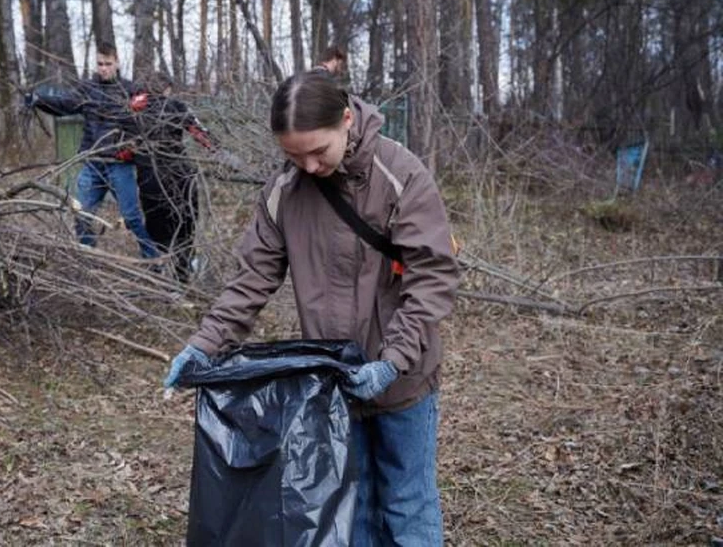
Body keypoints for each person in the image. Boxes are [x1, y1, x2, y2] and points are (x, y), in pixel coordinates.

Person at [164, 71, 460, 545]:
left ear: (347, 120)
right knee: (351, 503)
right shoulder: (285, 191)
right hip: (335, 384)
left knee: (407, 503)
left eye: (318, 152)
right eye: (292, 155)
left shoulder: (400, 175)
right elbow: (251, 278)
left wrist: (392, 361)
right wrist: (204, 345)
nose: (308, 167)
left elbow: (433, 278)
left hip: (404, 378)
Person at [26, 43, 158, 260]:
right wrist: (39, 100)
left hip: (120, 164)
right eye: (100, 64)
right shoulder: (88, 89)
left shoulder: (130, 91)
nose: (103, 68)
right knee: (81, 214)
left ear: (117, 63)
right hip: (93, 162)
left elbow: (147, 122)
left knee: (132, 218)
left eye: (108, 64)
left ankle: (153, 260)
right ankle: (89, 260)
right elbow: (64, 105)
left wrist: (132, 147)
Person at [133, 72, 219, 282]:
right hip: (179, 176)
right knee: (185, 227)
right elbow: (202, 135)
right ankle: (182, 273)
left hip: (149, 179)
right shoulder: (178, 107)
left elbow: (123, 150)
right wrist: (219, 151)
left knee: (156, 228)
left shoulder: (134, 110)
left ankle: (157, 274)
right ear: (168, 89)